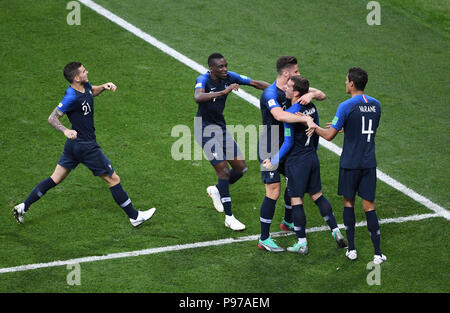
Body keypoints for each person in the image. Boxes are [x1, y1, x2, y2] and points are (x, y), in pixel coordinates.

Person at [13, 62, 156, 227]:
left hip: (73, 147)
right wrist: (65, 130)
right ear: (76, 77)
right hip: (86, 146)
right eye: (83, 71)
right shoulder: (71, 97)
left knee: (55, 178)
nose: (87, 72)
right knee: (113, 179)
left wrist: (103, 86)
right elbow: (52, 118)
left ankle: (24, 206)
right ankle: (134, 216)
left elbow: (91, 91)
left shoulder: (85, 85)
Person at [263, 75, 347, 255]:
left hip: (297, 162)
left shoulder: (292, 114)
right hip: (312, 157)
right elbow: (315, 134)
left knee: (296, 199)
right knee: (317, 195)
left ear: (297, 92)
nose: (285, 88)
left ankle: (301, 242)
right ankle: (336, 231)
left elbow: (288, 143)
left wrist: (274, 161)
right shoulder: (311, 107)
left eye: (289, 87)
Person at [311, 67, 386, 264]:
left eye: (346, 81)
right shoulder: (377, 105)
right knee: (369, 207)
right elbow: (367, 129)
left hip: (350, 163)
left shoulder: (346, 106)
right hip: (369, 163)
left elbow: (328, 136)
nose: (345, 83)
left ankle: (352, 250)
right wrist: (348, 127)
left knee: (349, 203)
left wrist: (312, 125)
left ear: (352, 84)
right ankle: (377, 254)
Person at [257, 56, 326, 252]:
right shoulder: (271, 93)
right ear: (286, 73)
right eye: (296, 71)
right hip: (269, 145)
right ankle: (264, 238)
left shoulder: (295, 87)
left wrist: (311, 95)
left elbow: (322, 94)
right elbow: (278, 115)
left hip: (288, 145)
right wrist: (306, 120)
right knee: (274, 190)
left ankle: (288, 222)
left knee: (294, 184)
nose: (299, 73)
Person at [194, 53, 269, 231]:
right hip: (204, 130)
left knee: (240, 168)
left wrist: (280, 92)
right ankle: (229, 217)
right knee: (224, 172)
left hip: (220, 128)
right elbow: (198, 97)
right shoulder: (203, 79)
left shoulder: (230, 77)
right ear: (211, 68)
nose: (225, 69)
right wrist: (223, 92)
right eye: (221, 67)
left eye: (226, 65)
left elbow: (256, 83)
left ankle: (217, 191)